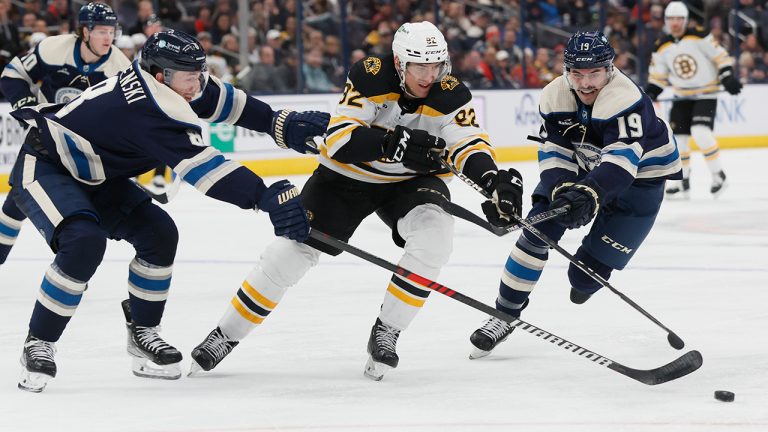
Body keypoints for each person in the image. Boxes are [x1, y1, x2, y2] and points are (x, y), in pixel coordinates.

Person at [189, 21, 524, 381]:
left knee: (434, 238)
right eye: (419, 66)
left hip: (410, 183)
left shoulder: (451, 92)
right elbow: (338, 139)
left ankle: (388, 331)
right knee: (288, 253)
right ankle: (225, 334)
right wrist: (388, 143)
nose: (429, 75)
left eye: (436, 65)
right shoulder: (370, 76)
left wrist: (492, 181)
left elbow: (468, 143)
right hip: (346, 178)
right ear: (399, 63)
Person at [10, 29, 328, 392]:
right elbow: (204, 169)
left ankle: (143, 333)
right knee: (84, 241)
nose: (197, 84)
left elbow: (219, 98)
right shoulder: (147, 108)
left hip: (98, 175)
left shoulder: (173, 80)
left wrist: (274, 122)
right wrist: (264, 196)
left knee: (159, 235)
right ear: (161, 76)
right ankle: (39, 342)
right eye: (190, 78)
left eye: (197, 74)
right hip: (47, 166)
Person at [468, 31, 682, 359]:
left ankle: (587, 276)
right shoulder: (554, 95)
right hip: (586, 164)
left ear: (609, 70)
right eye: (577, 73)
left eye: (594, 73)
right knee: (536, 233)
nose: (585, 83)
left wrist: (588, 192)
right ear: (566, 70)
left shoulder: (625, 97)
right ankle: (503, 314)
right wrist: (561, 188)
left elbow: (623, 162)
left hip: (643, 179)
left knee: (582, 280)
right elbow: (553, 150)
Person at [0, 3, 131, 267]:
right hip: (44, 140)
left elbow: (128, 118)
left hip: (87, 152)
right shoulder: (53, 48)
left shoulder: (120, 69)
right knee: (16, 202)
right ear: (85, 31)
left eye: (111, 31)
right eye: (101, 31)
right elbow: (12, 74)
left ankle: (76, 262)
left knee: (80, 215)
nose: (109, 37)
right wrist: (25, 102)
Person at [644, 1, 741, 199]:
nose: (675, 23)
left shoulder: (700, 36)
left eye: (679, 18)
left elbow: (721, 58)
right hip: (682, 96)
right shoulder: (662, 46)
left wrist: (727, 77)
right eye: (671, 19)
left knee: (701, 132)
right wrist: (651, 93)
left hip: (706, 93)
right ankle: (682, 180)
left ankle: (718, 175)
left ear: (686, 20)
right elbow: (658, 77)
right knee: (678, 140)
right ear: (666, 21)